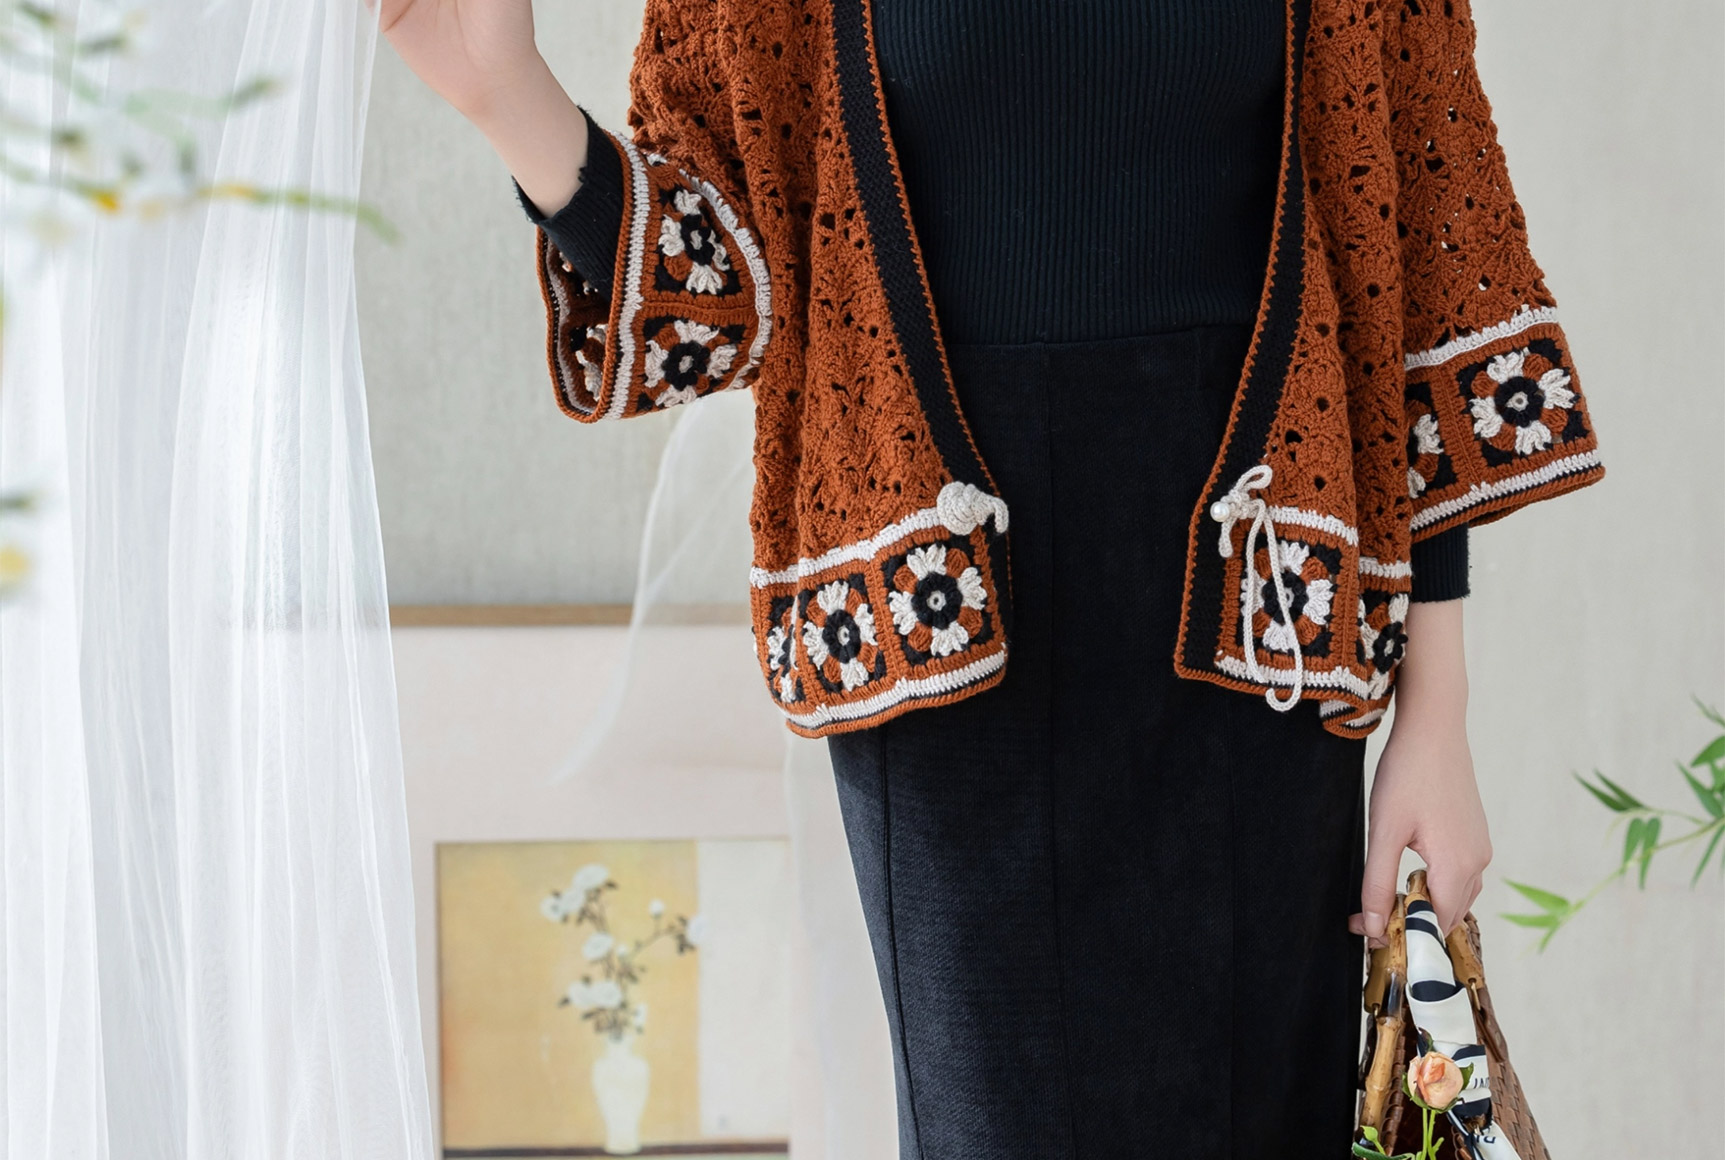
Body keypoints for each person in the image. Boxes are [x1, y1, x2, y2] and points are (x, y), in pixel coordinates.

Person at [381, 0, 1602, 1154]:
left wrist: (1437, 708)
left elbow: (1415, 270)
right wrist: (505, 95)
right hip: (944, 642)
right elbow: (716, 299)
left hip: (1268, 630)